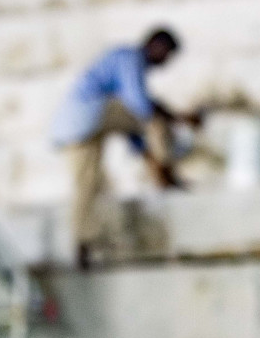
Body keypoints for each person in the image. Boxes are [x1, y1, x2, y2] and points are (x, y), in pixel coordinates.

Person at [50, 28, 201, 265]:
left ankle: (83, 244)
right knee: (153, 117)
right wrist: (176, 118)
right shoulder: (130, 58)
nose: (165, 63)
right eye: (167, 55)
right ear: (157, 46)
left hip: (72, 126)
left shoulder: (122, 62)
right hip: (88, 117)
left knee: (87, 185)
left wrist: (143, 147)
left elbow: (129, 122)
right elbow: (139, 107)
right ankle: (165, 166)